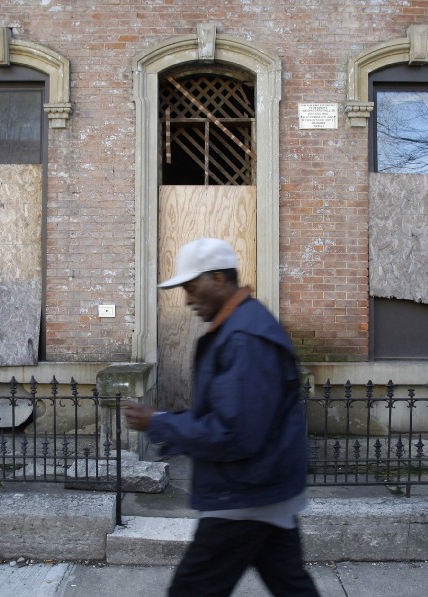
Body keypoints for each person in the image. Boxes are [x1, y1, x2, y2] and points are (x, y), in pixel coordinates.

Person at [123, 238, 319, 597]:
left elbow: (235, 433)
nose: (188, 300)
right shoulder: (242, 327)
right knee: (291, 585)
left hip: (243, 494)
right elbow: (231, 416)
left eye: (193, 288)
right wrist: (166, 419)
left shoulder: (244, 337)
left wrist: (159, 423)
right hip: (261, 489)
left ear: (218, 278)